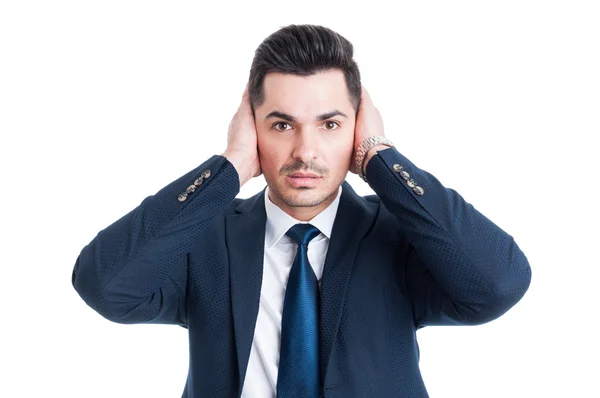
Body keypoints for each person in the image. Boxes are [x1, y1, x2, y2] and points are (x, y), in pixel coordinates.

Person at [72, 24, 532, 398]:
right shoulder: (205, 236)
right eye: (281, 124)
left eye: (330, 124)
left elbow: (498, 284)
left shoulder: (401, 235)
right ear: (253, 128)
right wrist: (228, 168)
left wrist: (380, 158)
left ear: (356, 126)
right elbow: (105, 285)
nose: (305, 151)